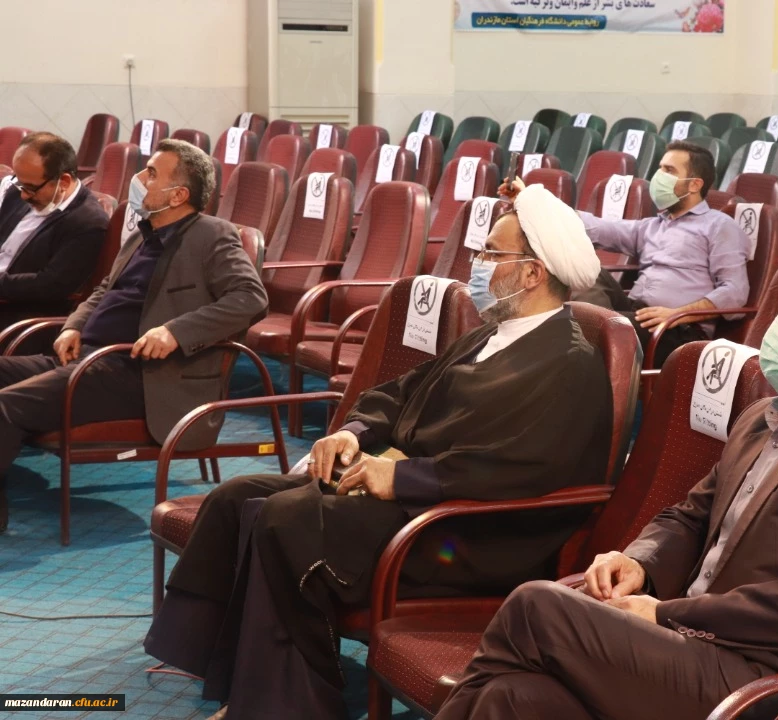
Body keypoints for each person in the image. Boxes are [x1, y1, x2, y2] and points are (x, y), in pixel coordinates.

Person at [144, 184, 615, 720]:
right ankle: (236, 676)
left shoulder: (569, 363)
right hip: (416, 498)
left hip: (468, 530)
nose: (477, 265)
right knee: (238, 495)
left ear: (532, 273)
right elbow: (401, 391)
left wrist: (401, 479)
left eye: (490, 253)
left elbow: (524, 468)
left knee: (286, 519)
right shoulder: (491, 335)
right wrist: (356, 432)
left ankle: (290, 704)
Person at [436, 272, 778, 720]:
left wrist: (661, 613)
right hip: (698, 652)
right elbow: (692, 516)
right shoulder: (762, 418)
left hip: (776, 683)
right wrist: (639, 563)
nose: (777, 322)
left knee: (535, 606)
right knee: (512, 698)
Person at [0, 139, 268, 532]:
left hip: (139, 374)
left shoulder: (212, 235)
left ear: (178, 195)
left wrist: (175, 331)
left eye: (152, 173)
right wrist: (74, 324)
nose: (139, 178)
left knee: (6, 406)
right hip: (89, 358)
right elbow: (103, 290)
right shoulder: (142, 235)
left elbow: (250, 298)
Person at [503, 140, 752, 367]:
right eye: (660, 168)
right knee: (590, 272)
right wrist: (530, 201)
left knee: (584, 329)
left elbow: (735, 291)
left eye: (669, 170)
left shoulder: (719, 226)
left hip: (677, 329)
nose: (659, 177)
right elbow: (594, 227)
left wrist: (677, 313)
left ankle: (583, 345)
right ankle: (587, 338)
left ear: (695, 184)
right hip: (636, 314)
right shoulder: (652, 226)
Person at [0, 132, 108, 327]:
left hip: (19, 315)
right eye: (20, 183)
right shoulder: (19, 192)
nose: (23, 195)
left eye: (31, 188)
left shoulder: (88, 222)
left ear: (63, 182)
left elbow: (50, 285)